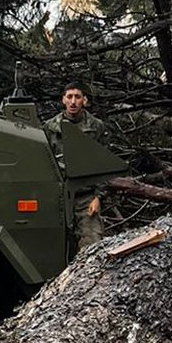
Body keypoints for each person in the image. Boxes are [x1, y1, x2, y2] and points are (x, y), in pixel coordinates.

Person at [45, 84, 108, 250]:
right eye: (69, 97)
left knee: (93, 241)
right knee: (53, 245)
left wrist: (98, 197)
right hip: (57, 195)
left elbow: (105, 164)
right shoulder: (50, 127)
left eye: (77, 97)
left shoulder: (96, 127)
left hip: (84, 195)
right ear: (63, 100)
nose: (73, 101)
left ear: (84, 100)